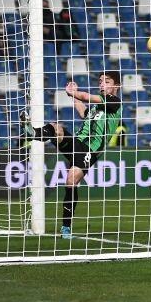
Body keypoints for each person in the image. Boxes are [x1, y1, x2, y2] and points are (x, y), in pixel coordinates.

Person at [24, 73, 123, 238]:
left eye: (107, 82)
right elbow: (84, 112)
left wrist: (74, 93)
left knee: (71, 181)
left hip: (90, 150)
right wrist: (74, 97)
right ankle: (32, 132)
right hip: (77, 143)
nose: (102, 85)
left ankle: (66, 228)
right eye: (100, 82)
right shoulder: (97, 108)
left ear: (116, 86)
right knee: (57, 129)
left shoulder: (114, 102)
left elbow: (86, 96)